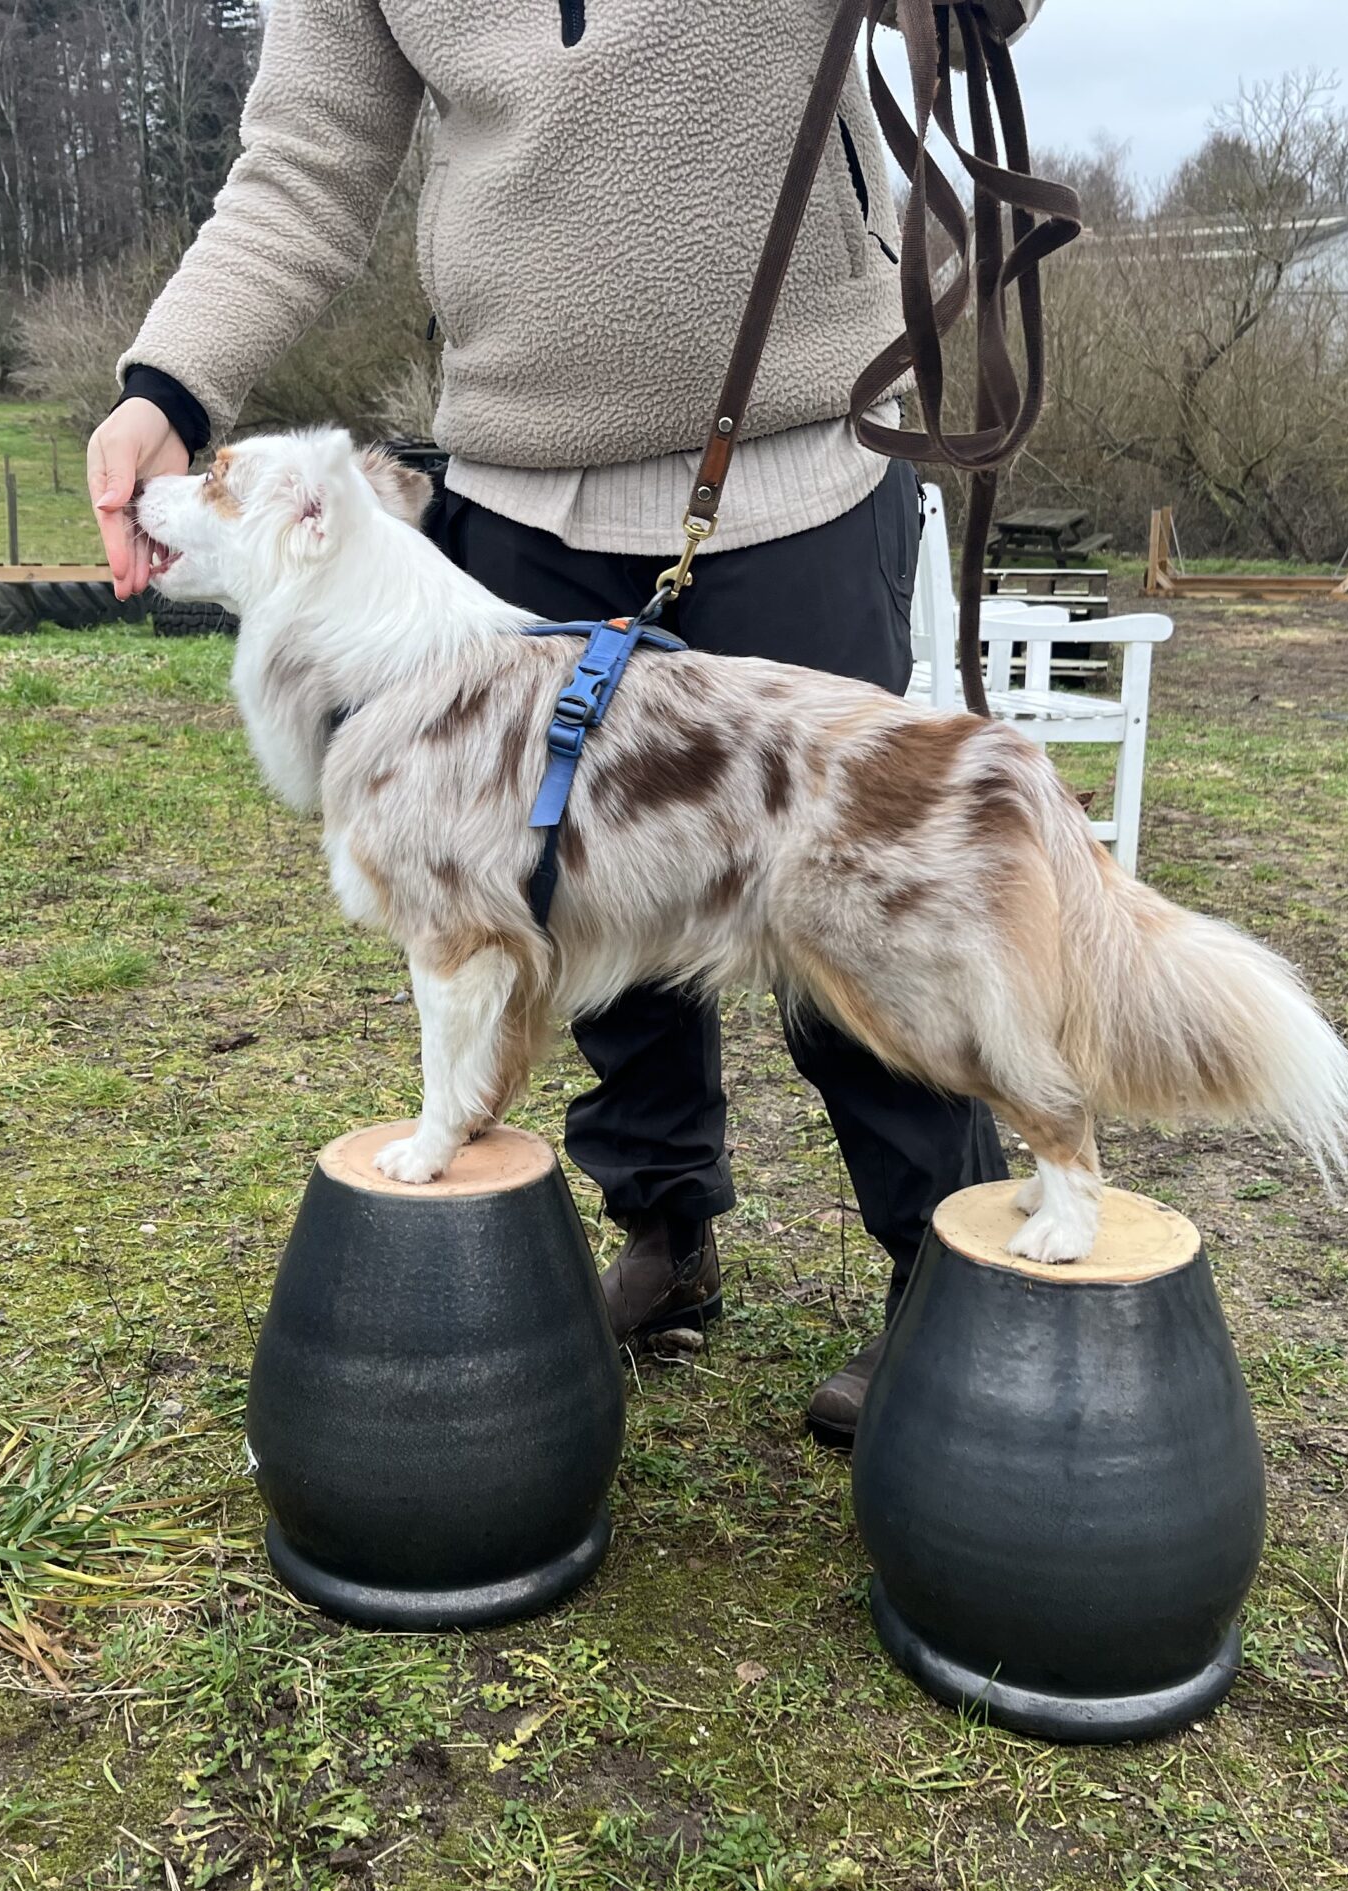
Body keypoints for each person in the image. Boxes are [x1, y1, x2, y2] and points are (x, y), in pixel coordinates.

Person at [92, 0, 1036, 1448]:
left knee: (862, 902)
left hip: (799, 468)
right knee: (571, 909)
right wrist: (170, 382)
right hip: (520, 496)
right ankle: (666, 1232)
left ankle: (950, 1272)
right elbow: (305, 158)